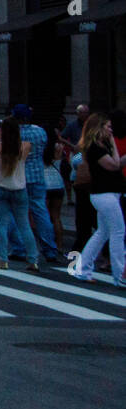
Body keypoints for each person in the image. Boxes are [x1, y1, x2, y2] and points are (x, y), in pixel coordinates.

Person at [71, 113, 125, 286]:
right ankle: (120, 274)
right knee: (118, 231)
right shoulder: (95, 148)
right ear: (98, 128)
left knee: (103, 232)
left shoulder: (103, 145)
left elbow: (116, 162)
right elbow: (114, 165)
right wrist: (113, 147)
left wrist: (113, 145)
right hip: (104, 194)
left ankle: (83, 269)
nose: (111, 130)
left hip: (108, 193)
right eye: (107, 127)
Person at [4, 105, 62, 264]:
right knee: (41, 213)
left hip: (18, 177)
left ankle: (19, 248)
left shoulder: (12, 133)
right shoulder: (39, 132)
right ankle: (49, 249)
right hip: (37, 176)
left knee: (14, 214)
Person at [0, 116, 39, 271]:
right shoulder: (25, 146)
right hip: (19, 188)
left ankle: (3, 260)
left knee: (1, 224)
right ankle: (32, 259)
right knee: (24, 225)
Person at [42, 134, 66, 252]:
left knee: (45, 216)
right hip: (58, 183)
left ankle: (48, 243)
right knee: (56, 216)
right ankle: (60, 245)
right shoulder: (59, 147)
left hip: (45, 184)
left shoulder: (41, 147)